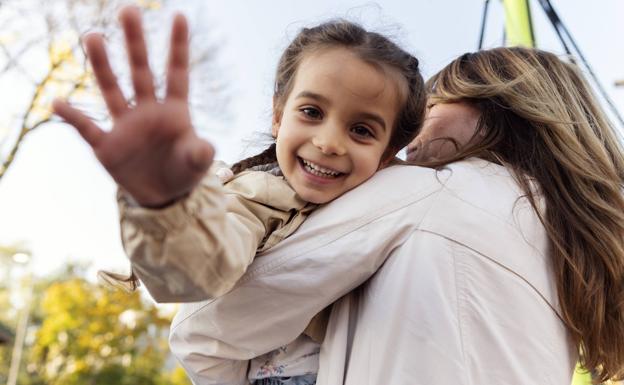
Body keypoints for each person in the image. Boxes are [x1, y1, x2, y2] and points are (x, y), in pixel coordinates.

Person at [167, 47, 624, 385]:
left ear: (493, 108)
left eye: (430, 107)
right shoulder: (571, 245)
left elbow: (203, 330)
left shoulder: (430, 191)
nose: (406, 142)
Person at [52, 6, 427, 385]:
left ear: (387, 152)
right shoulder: (260, 195)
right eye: (312, 111)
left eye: (361, 130)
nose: (328, 142)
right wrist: (162, 204)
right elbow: (200, 267)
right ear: (278, 116)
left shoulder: (401, 202)